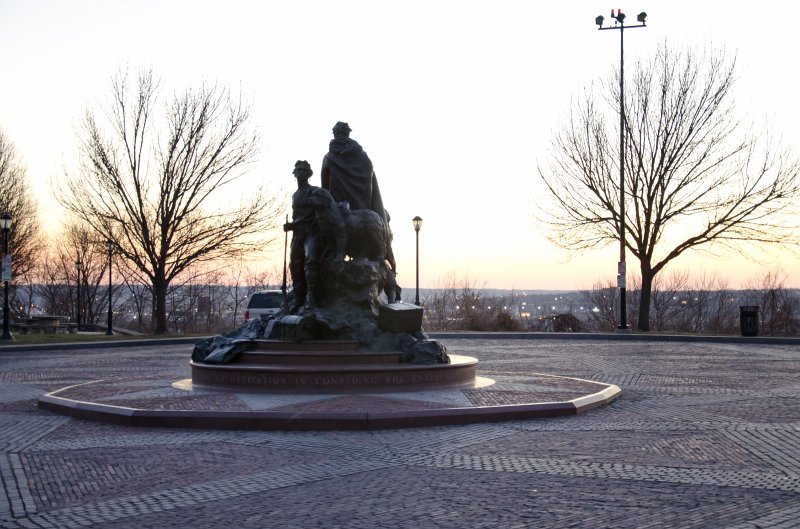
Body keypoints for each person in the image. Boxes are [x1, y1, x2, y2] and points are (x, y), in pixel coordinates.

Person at [320, 122, 386, 219]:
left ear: (334, 135)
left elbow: (324, 191)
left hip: (338, 215)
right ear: (348, 134)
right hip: (364, 215)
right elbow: (372, 188)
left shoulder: (328, 158)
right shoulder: (364, 156)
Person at [283, 160, 319, 313]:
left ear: (309, 174)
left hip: (311, 232)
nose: (301, 172)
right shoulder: (295, 195)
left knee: (310, 262)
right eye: (298, 170)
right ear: (295, 174)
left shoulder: (314, 192)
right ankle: (299, 298)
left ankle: (312, 297)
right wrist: (291, 225)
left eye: (304, 170)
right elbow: (297, 217)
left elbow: (321, 213)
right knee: (295, 266)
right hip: (298, 234)